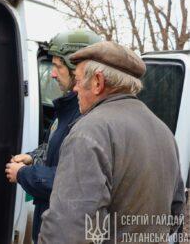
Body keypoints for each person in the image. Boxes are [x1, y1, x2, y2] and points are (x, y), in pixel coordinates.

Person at [39, 41, 185, 244]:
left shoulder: (89, 131)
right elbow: (176, 212)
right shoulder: (164, 132)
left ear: (98, 82)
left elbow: (67, 232)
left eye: (79, 81)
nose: (75, 89)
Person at [5, 29, 102, 244]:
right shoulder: (70, 109)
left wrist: (23, 173)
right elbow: (56, 150)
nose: (53, 74)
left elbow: (69, 180)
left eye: (58, 67)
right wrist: (32, 157)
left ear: (78, 69)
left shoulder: (86, 119)